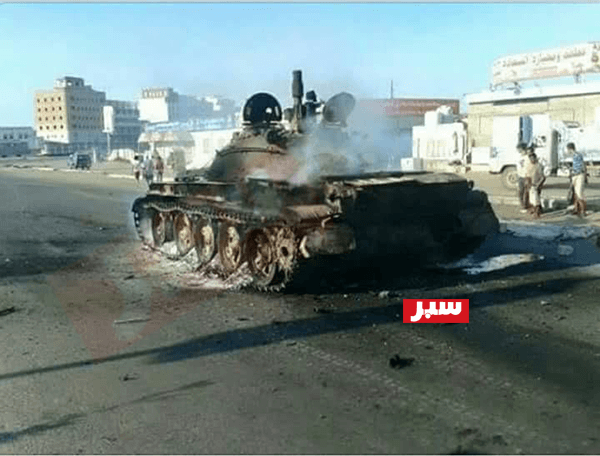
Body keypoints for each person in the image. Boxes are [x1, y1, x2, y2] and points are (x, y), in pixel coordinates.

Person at [566, 142, 587, 216]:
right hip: (575, 175)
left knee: (579, 193)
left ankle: (583, 210)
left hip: (578, 175)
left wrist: (572, 172)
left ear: (570, 148)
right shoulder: (574, 156)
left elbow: (580, 167)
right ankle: (576, 209)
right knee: (575, 193)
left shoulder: (577, 155)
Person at [525, 151, 545, 218]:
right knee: (532, 199)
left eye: (533, 158)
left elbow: (543, 177)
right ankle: (535, 210)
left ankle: (537, 212)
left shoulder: (538, 166)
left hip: (537, 184)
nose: (532, 160)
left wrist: (538, 185)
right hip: (531, 184)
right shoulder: (529, 165)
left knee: (536, 200)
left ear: (535, 158)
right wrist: (528, 184)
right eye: (530, 158)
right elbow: (527, 175)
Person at [516, 143, 529, 212]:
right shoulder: (519, 157)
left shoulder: (528, 157)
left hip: (526, 177)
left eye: (521, 150)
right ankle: (522, 205)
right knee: (520, 191)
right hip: (520, 176)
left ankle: (525, 206)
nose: (520, 151)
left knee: (526, 192)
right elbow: (518, 167)